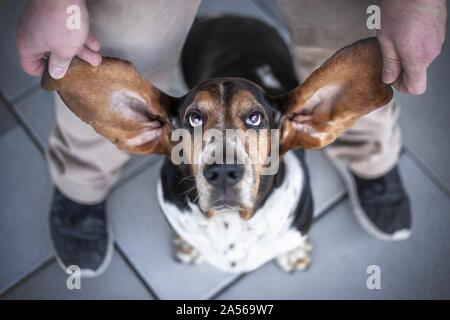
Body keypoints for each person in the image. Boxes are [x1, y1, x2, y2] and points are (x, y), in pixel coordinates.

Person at [16, 0, 446, 276]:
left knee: (354, 25)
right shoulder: (156, 133)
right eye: (195, 122)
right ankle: (82, 184)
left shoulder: (302, 123)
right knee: (115, 37)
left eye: (256, 121)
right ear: (149, 126)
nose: (224, 164)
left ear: (309, 123)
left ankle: (371, 161)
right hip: (203, 50)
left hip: (268, 66)